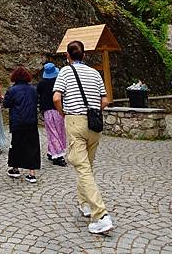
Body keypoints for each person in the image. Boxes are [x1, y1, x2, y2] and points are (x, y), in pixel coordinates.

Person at [53, 40, 113, 234]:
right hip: (94, 123)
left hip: (75, 121)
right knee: (87, 165)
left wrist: (63, 112)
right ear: (84, 55)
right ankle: (84, 204)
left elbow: (56, 98)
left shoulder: (65, 71)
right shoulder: (95, 73)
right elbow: (105, 99)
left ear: (67, 56)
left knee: (82, 167)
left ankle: (101, 215)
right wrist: (94, 110)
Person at [3, 66, 40, 183]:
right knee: (32, 147)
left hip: (18, 121)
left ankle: (15, 168)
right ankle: (32, 173)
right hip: (31, 121)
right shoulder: (33, 89)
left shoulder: (12, 90)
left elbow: (6, 104)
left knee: (16, 145)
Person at [37, 62, 67, 166]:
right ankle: (58, 155)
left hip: (47, 110)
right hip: (59, 109)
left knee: (52, 132)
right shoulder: (59, 82)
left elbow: (38, 95)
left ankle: (54, 152)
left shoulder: (41, 84)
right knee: (60, 131)